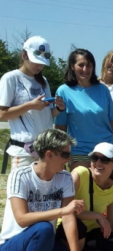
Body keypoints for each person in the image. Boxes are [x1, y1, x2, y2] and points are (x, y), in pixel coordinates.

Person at [0, 128, 86, 251]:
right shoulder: (20, 175)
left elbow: (69, 218)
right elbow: (22, 219)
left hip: (44, 245)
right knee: (43, 228)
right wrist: (62, 210)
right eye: (65, 155)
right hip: (13, 250)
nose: (68, 160)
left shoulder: (64, 178)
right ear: (49, 154)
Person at [0, 36, 66, 172]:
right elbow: (2, 114)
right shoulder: (11, 78)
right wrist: (30, 105)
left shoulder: (43, 81)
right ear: (24, 55)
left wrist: (59, 108)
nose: (39, 66)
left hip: (46, 149)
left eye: (42, 63)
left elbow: (47, 114)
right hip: (23, 152)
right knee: (21, 192)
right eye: (36, 62)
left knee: (46, 191)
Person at [55, 48, 113, 170]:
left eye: (89, 65)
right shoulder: (63, 91)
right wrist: (61, 157)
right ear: (72, 66)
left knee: (106, 188)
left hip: (106, 149)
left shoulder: (103, 90)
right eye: (81, 65)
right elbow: (60, 128)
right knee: (83, 185)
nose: (85, 69)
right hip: (80, 152)